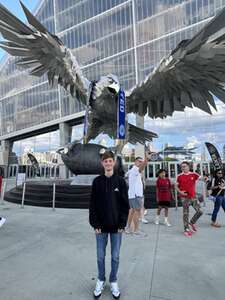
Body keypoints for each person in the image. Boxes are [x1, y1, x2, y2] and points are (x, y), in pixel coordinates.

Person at [89, 151, 129, 299]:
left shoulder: (120, 182)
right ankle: (100, 279)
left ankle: (113, 280)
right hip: (100, 228)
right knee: (100, 257)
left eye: (110, 161)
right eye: (105, 161)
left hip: (116, 227)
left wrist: (122, 223)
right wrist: (95, 223)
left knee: (115, 257)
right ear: (102, 163)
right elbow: (92, 205)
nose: (108, 163)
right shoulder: (97, 181)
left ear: (114, 163)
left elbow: (125, 205)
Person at [175, 161, 203, 237]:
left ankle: (192, 222)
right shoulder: (179, 176)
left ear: (188, 167)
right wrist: (180, 192)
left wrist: (205, 178)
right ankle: (186, 229)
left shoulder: (194, 174)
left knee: (200, 211)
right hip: (184, 198)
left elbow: (201, 178)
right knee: (185, 214)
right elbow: (176, 186)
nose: (183, 168)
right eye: (182, 167)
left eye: (184, 166)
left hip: (193, 197)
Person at [125, 155, 148, 235]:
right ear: (135, 162)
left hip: (133, 194)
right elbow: (142, 167)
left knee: (132, 211)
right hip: (135, 195)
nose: (141, 163)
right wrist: (146, 159)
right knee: (137, 212)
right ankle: (136, 230)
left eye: (141, 162)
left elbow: (126, 177)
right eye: (139, 161)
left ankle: (127, 228)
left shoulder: (132, 170)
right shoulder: (135, 170)